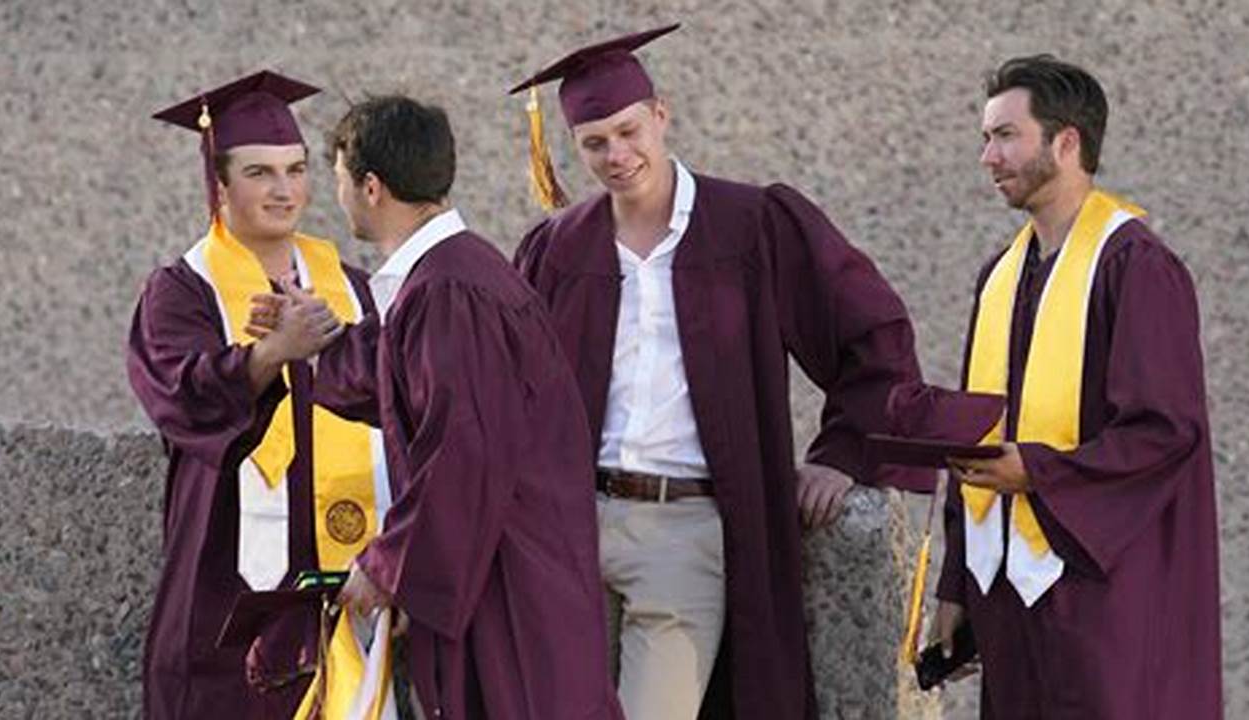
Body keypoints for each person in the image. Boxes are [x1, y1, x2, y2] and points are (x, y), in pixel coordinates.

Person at [508, 23, 984, 720]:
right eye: (595, 142)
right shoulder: (556, 249)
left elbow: (869, 333)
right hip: (574, 529)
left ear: (660, 116)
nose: (617, 154)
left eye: (628, 130)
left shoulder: (752, 223)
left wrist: (844, 452)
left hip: (686, 529)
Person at [250, 94, 622, 719]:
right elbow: (402, 388)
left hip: (514, 581)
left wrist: (388, 564)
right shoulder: (449, 278)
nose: (334, 197)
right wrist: (316, 337)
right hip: (496, 567)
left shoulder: (451, 291)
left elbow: (462, 451)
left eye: (338, 180)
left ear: (371, 187)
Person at [935, 55, 1222, 718]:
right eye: (985, 137)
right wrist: (954, 583)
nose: (987, 156)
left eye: (1005, 135)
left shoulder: (1136, 268)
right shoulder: (1001, 276)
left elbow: (1164, 432)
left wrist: (1033, 471)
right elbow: (976, 433)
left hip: (1101, 591)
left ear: (1066, 142)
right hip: (1007, 595)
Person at [126, 70, 391, 718]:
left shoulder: (351, 285)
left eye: (296, 170)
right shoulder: (182, 291)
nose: (283, 190)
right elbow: (180, 398)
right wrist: (273, 353)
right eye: (259, 173)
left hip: (345, 587)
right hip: (227, 594)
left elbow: (401, 403)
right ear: (218, 186)